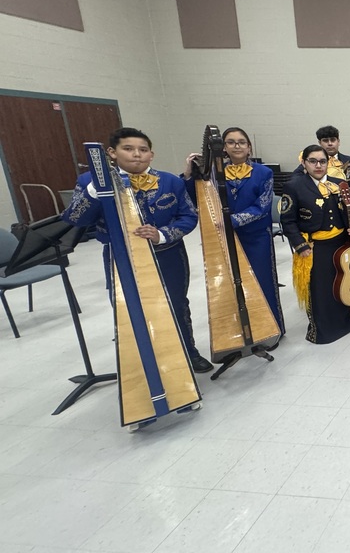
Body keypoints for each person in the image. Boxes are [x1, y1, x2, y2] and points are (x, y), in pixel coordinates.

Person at [63, 127, 214, 373]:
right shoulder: (88, 182)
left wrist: (162, 235)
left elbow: (188, 217)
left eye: (143, 150)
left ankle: (189, 351)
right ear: (112, 152)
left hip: (169, 254)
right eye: (128, 149)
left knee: (177, 303)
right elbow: (75, 220)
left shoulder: (170, 181)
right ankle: (147, 361)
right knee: (130, 308)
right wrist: (94, 190)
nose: (136, 155)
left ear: (151, 155)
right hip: (120, 258)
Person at [184, 126, 284, 333]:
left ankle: (272, 328)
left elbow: (263, 206)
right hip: (223, 237)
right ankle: (240, 329)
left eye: (241, 142)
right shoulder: (212, 173)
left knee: (263, 280)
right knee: (229, 284)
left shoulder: (263, 173)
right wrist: (188, 173)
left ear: (249, 148)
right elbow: (192, 200)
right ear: (224, 148)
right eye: (230, 142)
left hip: (256, 236)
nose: (236, 146)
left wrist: (232, 220)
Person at [280, 145, 350, 344]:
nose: (318, 165)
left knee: (343, 284)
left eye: (322, 161)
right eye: (313, 161)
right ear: (304, 163)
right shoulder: (294, 186)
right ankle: (323, 329)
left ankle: (347, 320)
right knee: (320, 289)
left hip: (341, 243)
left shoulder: (340, 183)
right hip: (315, 247)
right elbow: (287, 220)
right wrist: (300, 245)